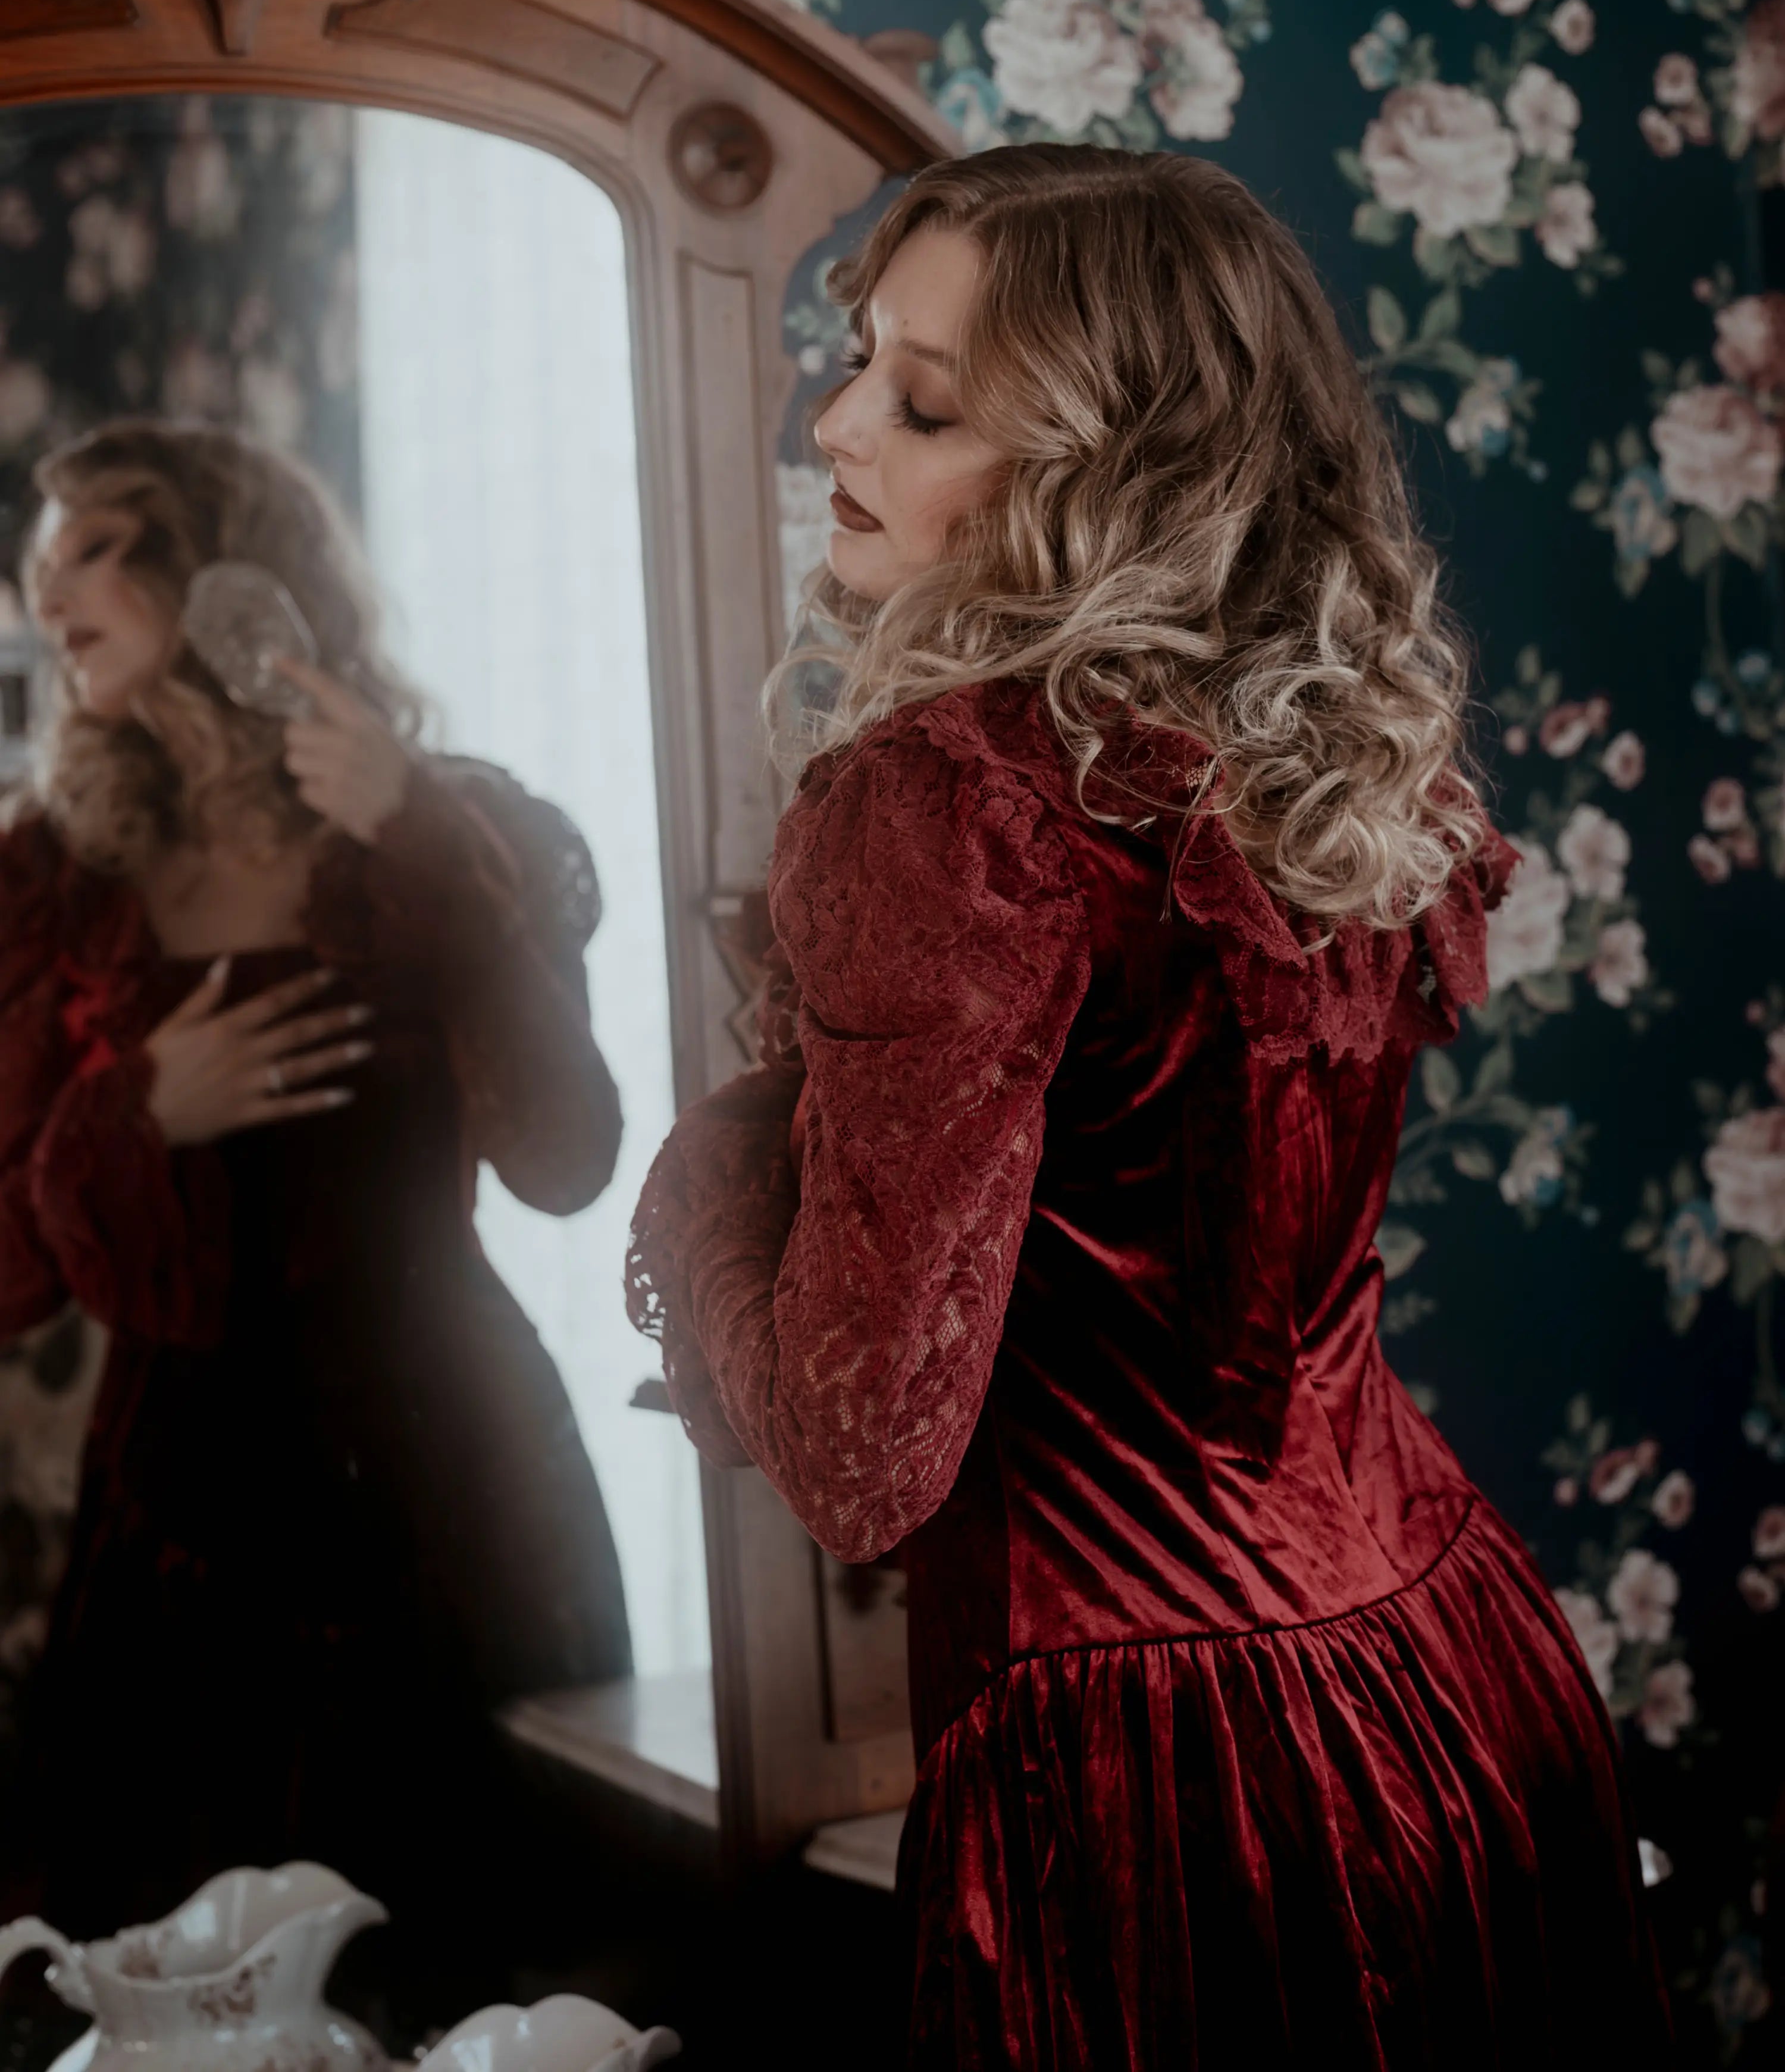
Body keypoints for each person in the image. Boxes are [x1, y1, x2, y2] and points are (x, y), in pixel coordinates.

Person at [627, 146, 1673, 2068]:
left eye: (925, 404)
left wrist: (713, 1174)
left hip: (1167, 1788)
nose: (836, 425)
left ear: (1117, 478)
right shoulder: (1325, 761)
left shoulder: (955, 802)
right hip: (1456, 1676)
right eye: (858, 363)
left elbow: (863, 1459)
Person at [0, 420, 630, 1986]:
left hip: (454, 1475)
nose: (41, 592)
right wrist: (132, 1116)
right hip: (179, 1518)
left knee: (473, 1961)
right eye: (36, 562)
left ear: (220, 559)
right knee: (181, 1972)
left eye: (91, 548)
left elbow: (568, 1157)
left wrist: (419, 840)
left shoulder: (456, 822)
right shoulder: (58, 878)